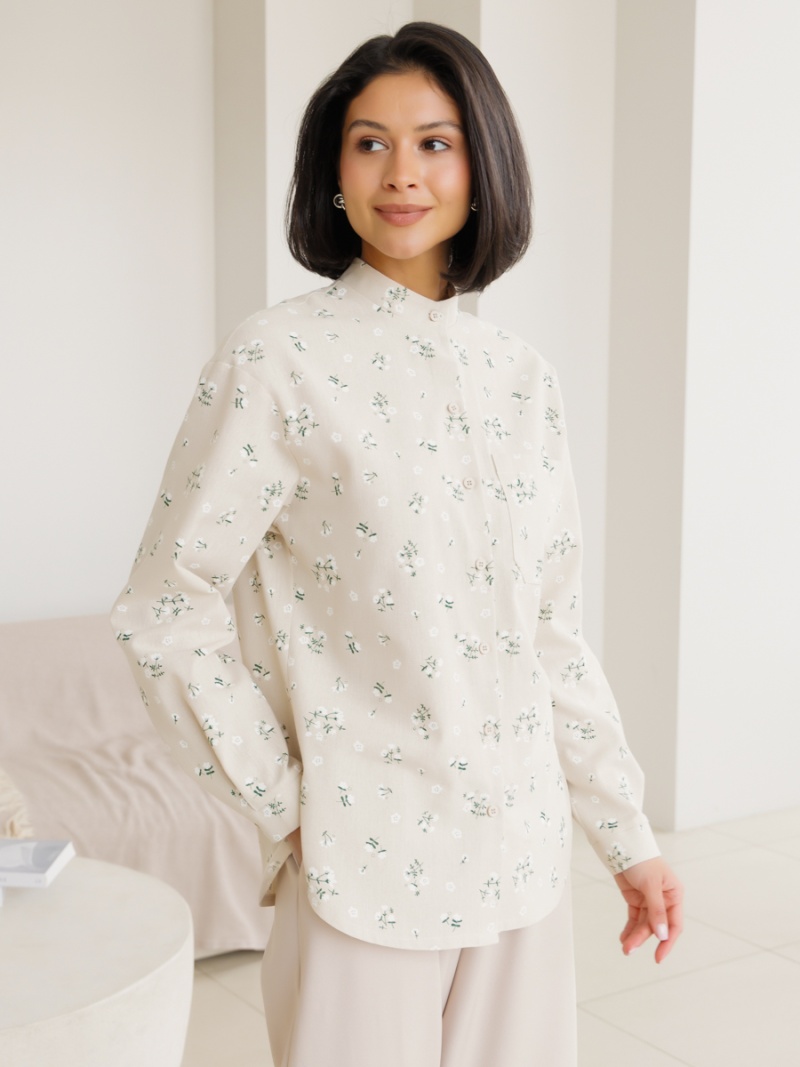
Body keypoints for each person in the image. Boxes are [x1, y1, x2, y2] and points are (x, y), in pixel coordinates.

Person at [112, 21, 683, 1067]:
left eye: (434, 142)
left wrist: (626, 836)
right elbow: (164, 608)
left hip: (521, 857)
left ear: (482, 165)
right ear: (332, 173)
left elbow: (550, 635)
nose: (401, 173)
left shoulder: (522, 379)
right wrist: (285, 803)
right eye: (368, 142)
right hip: (363, 867)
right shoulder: (276, 359)